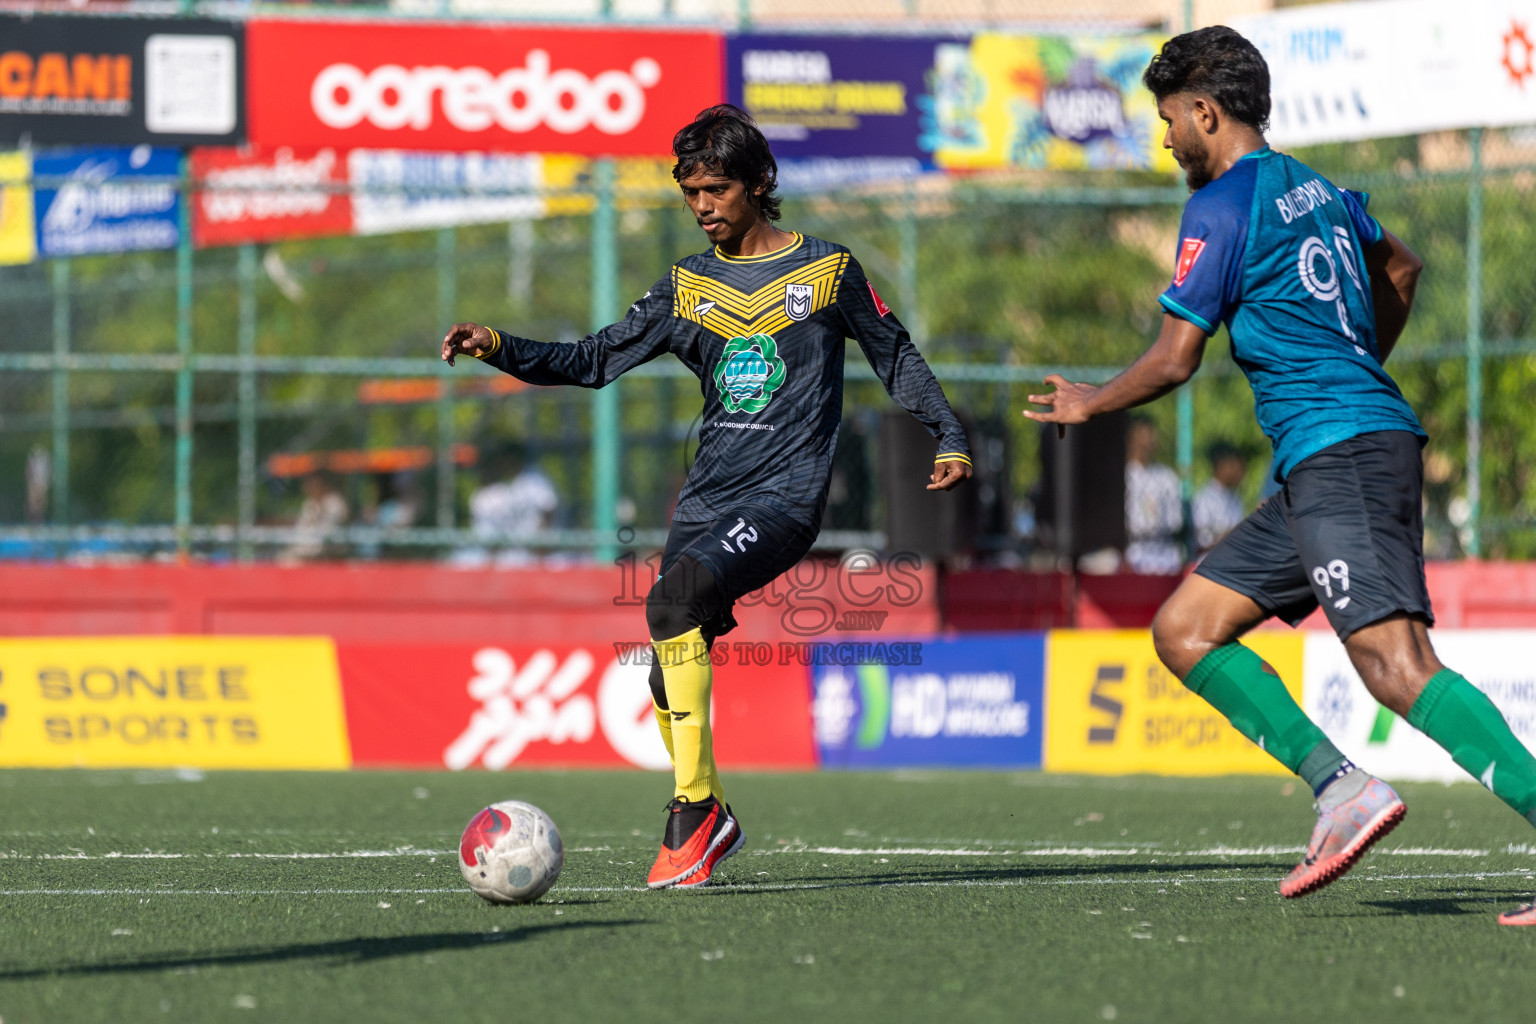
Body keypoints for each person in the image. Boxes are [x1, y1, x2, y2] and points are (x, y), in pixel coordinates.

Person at [1025, 27, 1536, 925]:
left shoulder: (1222, 206)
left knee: (1395, 663)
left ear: (1207, 113)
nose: (1167, 138)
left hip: (1342, 454)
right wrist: (1355, 356)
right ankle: (1342, 790)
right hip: (1326, 460)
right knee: (1186, 629)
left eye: (1170, 119)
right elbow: (1402, 267)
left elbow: (1177, 357)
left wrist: (1090, 403)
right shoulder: (1324, 191)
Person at [439, 105, 972, 889]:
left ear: (760, 184)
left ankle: (693, 811)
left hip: (786, 499)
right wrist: (499, 346)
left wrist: (949, 434)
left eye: (716, 188)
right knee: (667, 663)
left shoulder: (829, 271)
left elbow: (895, 355)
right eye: (690, 192)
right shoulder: (687, 287)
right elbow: (592, 360)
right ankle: (712, 811)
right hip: (705, 503)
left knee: (671, 605)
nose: (702, 205)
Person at [461, 444, 558, 567]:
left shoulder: (535, 481)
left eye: (506, 460)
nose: (504, 465)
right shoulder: (491, 493)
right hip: (506, 560)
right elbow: (489, 539)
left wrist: (540, 555)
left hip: (532, 557)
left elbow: (547, 514)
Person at [1124, 415, 1184, 573]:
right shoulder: (1123, 476)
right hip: (1133, 550)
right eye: (1144, 433)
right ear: (1131, 436)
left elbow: (1175, 521)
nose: (1150, 439)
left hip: (1163, 552)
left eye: (1152, 433)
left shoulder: (1167, 476)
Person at [1191, 441, 1248, 554]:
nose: (1239, 471)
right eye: (1234, 466)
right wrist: (1232, 535)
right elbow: (1200, 545)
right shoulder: (1204, 499)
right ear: (1221, 466)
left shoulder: (1235, 499)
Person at [281, 469, 348, 563]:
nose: (309, 486)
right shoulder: (309, 504)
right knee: (285, 560)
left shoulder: (334, 502)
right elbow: (302, 527)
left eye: (312, 482)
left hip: (328, 552)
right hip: (306, 550)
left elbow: (329, 531)